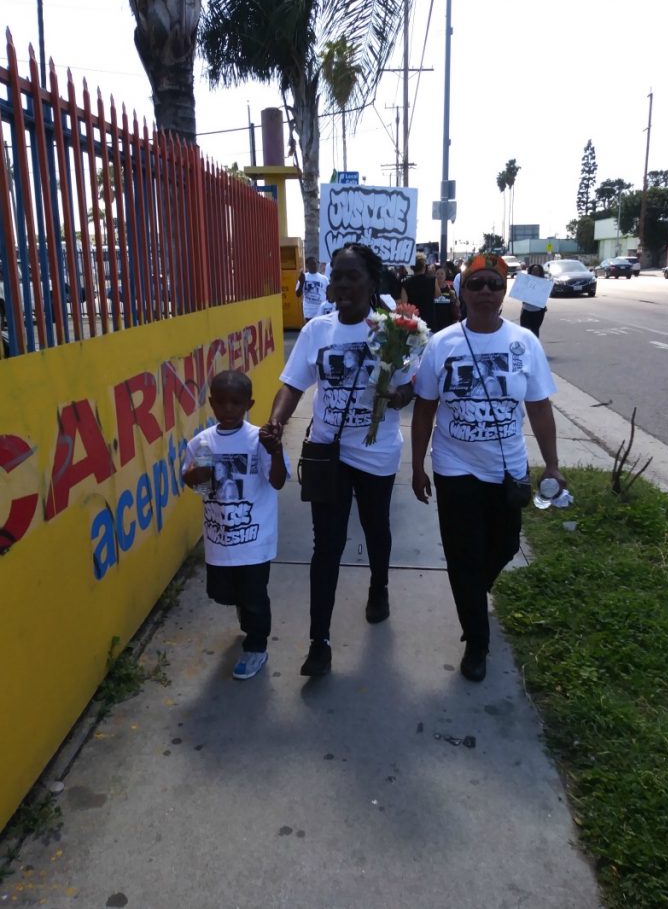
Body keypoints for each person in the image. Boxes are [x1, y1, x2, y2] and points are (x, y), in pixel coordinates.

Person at [262, 243, 416, 678]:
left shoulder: (393, 330)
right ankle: (319, 643)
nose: (341, 285)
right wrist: (276, 422)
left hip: (376, 452)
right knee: (325, 546)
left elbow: (410, 387)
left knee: (375, 527)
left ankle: (379, 584)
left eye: (351, 277)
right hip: (327, 450)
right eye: (336, 277)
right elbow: (292, 385)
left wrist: (397, 395)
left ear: (372, 283)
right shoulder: (317, 331)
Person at [411, 253, 566, 683]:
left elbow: (538, 407)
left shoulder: (524, 343)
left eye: (493, 285)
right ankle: (476, 643)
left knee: (503, 545)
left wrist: (551, 465)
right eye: (475, 283)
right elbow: (425, 409)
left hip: (507, 468)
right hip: (454, 464)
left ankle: (471, 595)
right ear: (462, 289)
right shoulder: (442, 344)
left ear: (504, 292)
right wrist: (417, 465)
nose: (484, 292)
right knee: (463, 555)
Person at [183, 370, 289, 680]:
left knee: (255, 596)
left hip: (256, 539)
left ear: (249, 404)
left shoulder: (260, 440)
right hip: (219, 538)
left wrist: (276, 450)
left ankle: (256, 647)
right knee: (222, 593)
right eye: (222, 403)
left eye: (236, 402)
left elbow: (278, 481)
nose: (228, 409)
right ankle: (245, 609)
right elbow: (193, 483)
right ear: (211, 403)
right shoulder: (202, 442)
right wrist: (197, 476)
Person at [402, 252, 441, 332]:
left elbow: (404, 305)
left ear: (412, 267)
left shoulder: (406, 284)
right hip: (429, 322)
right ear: (424, 266)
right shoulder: (432, 280)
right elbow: (438, 295)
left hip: (413, 322)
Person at [295, 256, 330, 322]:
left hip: (321, 311)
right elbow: (298, 294)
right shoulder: (303, 277)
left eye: (315, 263)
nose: (314, 266)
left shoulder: (324, 279)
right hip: (309, 312)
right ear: (307, 265)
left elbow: (329, 294)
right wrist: (302, 282)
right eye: (311, 264)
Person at [519, 263, 548, 338]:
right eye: (533, 271)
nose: (535, 272)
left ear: (540, 272)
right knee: (524, 332)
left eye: (537, 271)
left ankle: (534, 347)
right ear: (530, 272)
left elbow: (544, 297)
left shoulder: (544, 283)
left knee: (535, 331)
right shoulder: (526, 282)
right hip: (526, 310)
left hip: (538, 312)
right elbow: (520, 294)